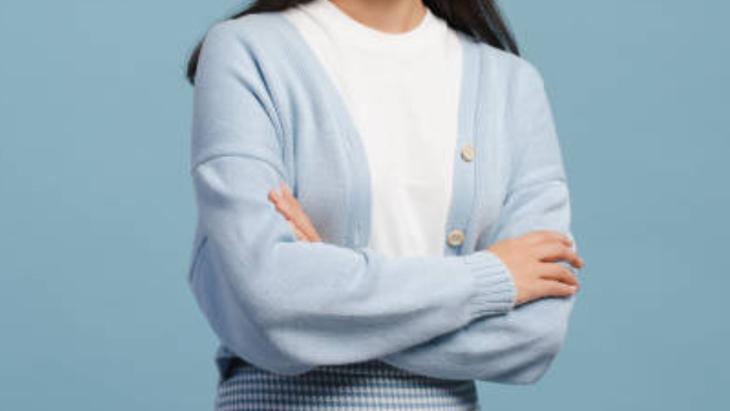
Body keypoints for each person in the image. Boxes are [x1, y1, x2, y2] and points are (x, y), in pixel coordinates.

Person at [184, 0, 585, 409]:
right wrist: (492, 279)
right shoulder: (247, 51)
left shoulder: (511, 85)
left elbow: (536, 332)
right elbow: (269, 294)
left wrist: (325, 311)